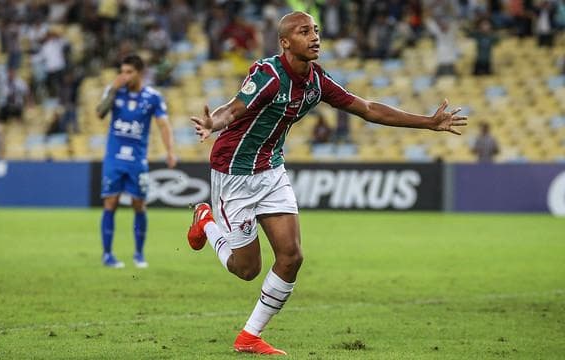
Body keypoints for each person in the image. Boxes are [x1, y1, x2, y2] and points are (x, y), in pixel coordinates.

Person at [187, 11, 468, 356]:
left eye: (316, 30)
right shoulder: (269, 75)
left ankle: (249, 336)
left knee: (291, 257)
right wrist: (211, 123)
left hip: (271, 172)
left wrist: (427, 122)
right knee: (247, 269)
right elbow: (233, 109)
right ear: (286, 42)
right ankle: (206, 221)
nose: (315, 37)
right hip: (234, 173)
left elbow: (367, 108)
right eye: (305, 32)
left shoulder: (317, 81)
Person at [96, 55, 176, 269]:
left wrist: (170, 151)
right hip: (113, 158)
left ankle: (139, 254)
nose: (124, 76)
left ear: (140, 73)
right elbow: (100, 113)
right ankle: (107, 255)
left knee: (139, 204)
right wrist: (112, 90)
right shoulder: (114, 91)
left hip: (137, 159)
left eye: (129, 72)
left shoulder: (152, 97)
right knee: (110, 202)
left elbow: (163, 125)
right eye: (122, 71)